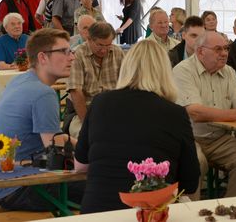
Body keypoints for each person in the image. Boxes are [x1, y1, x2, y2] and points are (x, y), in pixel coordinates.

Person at [75, 40, 199, 213]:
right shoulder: (175, 113)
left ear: (126, 66)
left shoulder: (100, 103)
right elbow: (190, 183)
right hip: (148, 213)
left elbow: (80, 165)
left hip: (96, 210)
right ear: (165, 72)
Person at [0, 28, 83, 211]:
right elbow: (54, 148)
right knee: (110, 186)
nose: (72, 57)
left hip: (5, 187)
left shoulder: (20, 80)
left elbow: (54, 138)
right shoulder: (43, 93)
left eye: (71, 51)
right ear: (42, 58)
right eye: (64, 51)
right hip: (24, 188)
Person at [173, 31, 236, 198]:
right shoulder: (183, 70)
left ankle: (230, 209)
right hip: (189, 138)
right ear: (201, 51)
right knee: (196, 163)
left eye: (226, 48)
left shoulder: (229, 72)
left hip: (219, 138)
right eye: (218, 49)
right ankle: (191, 213)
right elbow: (195, 112)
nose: (224, 53)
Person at [66, 22, 124, 138]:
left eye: (108, 45)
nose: (104, 50)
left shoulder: (117, 52)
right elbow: (76, 91)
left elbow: (128, 83)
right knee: (87, 136)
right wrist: (88, 123)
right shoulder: (78, 54)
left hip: (114, 110)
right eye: (100, 45)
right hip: (86, 112)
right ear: (89, 39)